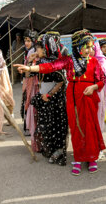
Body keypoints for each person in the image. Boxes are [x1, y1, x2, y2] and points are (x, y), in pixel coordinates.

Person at [15, 29, 106, 176]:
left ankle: (92, 158)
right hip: (74, 97)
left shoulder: (94, 61)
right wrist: (30, 67)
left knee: (89, 127)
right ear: (77, 47)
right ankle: (78, 158)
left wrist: (94, 87)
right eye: (86, 47)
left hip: (89, 98)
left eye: (91, 47)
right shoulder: (69, 60)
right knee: (76, 128)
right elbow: (51, 66)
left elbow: (101, 80)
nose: (90, 50)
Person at [30, 31, 68, 165]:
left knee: (56, 126)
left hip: (54, 101)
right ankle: (50, 150)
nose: (36, 50)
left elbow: (61, 81)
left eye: (39, 48)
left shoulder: (55, 63)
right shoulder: (42, 61)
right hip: (44, 98)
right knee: (45, 126)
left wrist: (49, 94)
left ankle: (58, 151)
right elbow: (31, 74)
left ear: (46, 48)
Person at [20, 29, 38, 143]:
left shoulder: (34, 52)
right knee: (28, 103)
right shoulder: (28, 51)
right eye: (25, 40)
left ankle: (31, 127)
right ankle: (29, 126)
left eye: (28, 40)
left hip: (34, 81)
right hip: (29, 80)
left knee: (31, 103)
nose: (26, 43)